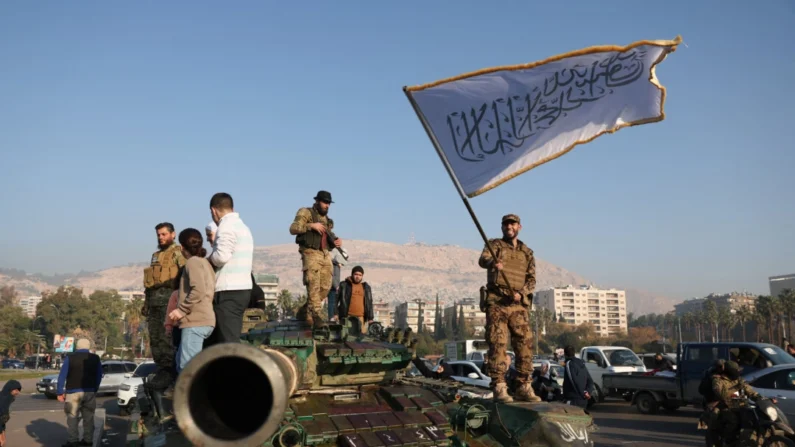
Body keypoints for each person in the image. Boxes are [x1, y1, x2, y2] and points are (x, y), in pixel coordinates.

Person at [478, 213, 540, 403]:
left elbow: (531, 279)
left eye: (512, 224)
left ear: (519, 227)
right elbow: (483, 260)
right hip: (497, 303)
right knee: (498, 343)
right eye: (505, 224)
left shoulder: (527, 252)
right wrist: (493, 263)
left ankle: (523, 386)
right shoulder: (495, 245)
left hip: (518, 305)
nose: (509, 227)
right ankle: (499, 386)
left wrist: (521, 294)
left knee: (525, 344)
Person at [289, 190, 342, 327]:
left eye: (329, 203)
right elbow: (293, 228)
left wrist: (336, 241)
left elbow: (329, 236)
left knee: (325, 287)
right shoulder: (306, 213)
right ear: (317, 201)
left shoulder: (327, 221)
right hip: (310, 252)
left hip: (325, 253)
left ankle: (305, 310)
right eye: (325, 202)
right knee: (313, 284)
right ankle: (316, 316)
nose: (327, 206)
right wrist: (311, 226)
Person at [206, 193, 254, 345]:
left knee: (228, 342)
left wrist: (207, 261)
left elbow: (221, 257)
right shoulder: (243, 226)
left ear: (214, 210)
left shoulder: (226, 227)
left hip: (228, 291)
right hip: (241, 290)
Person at [169, 228, 216, 372]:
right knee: (181, 364)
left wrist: (181, 310)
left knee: (188, 369)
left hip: (195, 322)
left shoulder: (192, 263)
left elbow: (199, 290)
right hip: (201, 321)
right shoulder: (204, 263)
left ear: (182, 247)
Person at [143, 222, 185, 380]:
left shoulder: (178, 253)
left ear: (173, 234)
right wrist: (146, 303)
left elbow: (184, 275)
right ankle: (161, 369)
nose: (161, 237)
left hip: (169, 301)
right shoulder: (156, 255)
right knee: (155, 338)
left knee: (167, 338)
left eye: (164, 234)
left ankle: (170, 371)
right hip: (153, 302)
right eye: (158, 235)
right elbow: (150, 282)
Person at [56, 338, 103, 447]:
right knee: (89, 417)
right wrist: (95, 388)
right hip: (89, 392)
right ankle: (88, 441)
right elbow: (99, 375)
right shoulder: (95, 358)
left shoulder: (70, 358)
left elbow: (62, 376)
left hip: (73, 393)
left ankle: (73, 441)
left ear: (77, 346)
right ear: (88, 347)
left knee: (72, 417)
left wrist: (59, 392)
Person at [710, 360, 761, 445]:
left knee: (754, 418)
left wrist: (758, 396)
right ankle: (728, 441)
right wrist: (736, 387)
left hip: (741, 405)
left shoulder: (738, 379)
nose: (738, 373)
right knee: (733, 422)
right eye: (735, 371)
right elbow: (722, 395)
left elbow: (748, 389)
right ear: (730, 371)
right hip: (726, 407)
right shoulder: (718, 380)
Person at [336, 265, 374, 331]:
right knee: (344, 338)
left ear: (362, 276)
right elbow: (335, 300)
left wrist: (370, 318)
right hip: (346, 318)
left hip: (361, 319)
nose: (357, 276)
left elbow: (369, 303)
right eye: (356, 274)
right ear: (352, 274)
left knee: (361, 339)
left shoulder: (366, 288)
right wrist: (335, 314)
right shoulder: (344, 285)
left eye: (360, 275)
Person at [0, 380, 21, 447]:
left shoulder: (7, 398)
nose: (18, 392)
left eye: (19, 390)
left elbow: (2, 421)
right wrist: (1, 437)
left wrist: (3, 433)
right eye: (16, 390)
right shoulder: (3, 400)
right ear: (10, 389)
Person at [326, 252, 346, 322]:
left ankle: (331, 317)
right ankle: (331, 317)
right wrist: (336, 286)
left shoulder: (334, 264)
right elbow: (333, 276)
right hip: (332, 287)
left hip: (331, 286)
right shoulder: (335, 266)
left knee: (332, 302)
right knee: (332, 302)